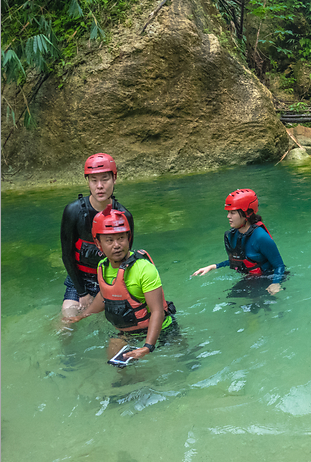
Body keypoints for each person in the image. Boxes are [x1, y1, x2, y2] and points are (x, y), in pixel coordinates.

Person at [67, 207, 176, 361]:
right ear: (98, 243)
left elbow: (157, 311)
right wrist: (83, 316)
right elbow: (104, 296)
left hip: (162, 330)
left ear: (128, 238)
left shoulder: (144, 268)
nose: (116, 245)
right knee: (115, 363)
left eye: (121, 238)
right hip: (128, 332)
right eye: (109, 240)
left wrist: (148, 346)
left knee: (179, 363)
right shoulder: (103, 267)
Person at [60, 153, 135, 318]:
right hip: (79, 280)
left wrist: (110, 289)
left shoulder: (124, 216)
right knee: (67, 324)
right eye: (94, 180)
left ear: (114, 179)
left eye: (105, 179)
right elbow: (67, 255)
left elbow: (124, 259)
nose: (99, 186)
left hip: (109, 280)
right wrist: (83, 293)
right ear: (88, 182)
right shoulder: (73, 212)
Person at [192, 189, 286, 296]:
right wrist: (214, 266)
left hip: (267, 280)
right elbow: (239, 259)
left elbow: (279, 266)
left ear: (248, 213)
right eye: (228, 212)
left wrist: (276, 283)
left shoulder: (261, 237)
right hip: (250, 278)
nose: (228, 216)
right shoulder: (235, 234)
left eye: (232, 212)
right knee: (230, 299)